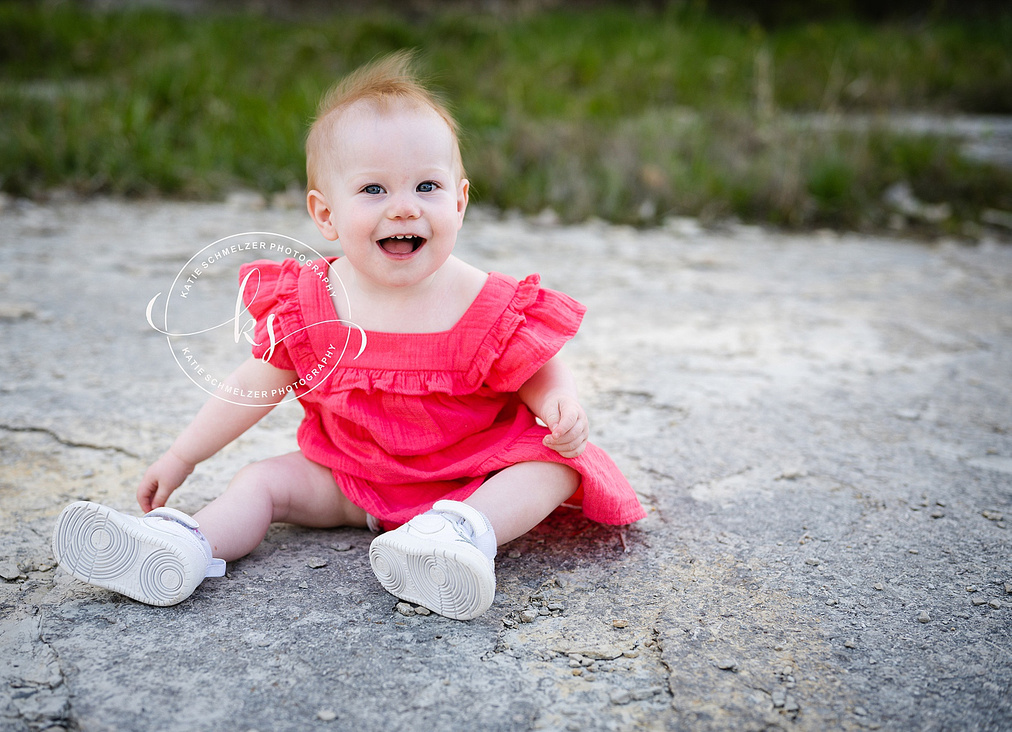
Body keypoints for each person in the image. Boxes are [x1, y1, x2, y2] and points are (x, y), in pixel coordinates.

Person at [52, 51, 646, 620]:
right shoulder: (312, 304)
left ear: (461, 202)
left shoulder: (485, 300)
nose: (404, 209)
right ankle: (182, 545)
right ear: (326, 215)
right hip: (349, 478)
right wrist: (182, 455)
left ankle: (458, 537)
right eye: (374, 190)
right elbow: (253, 386)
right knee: (261, 483)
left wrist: (558, 403)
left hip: (470, 477)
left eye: (427, 188)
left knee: (555, 464)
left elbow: (537, 365)